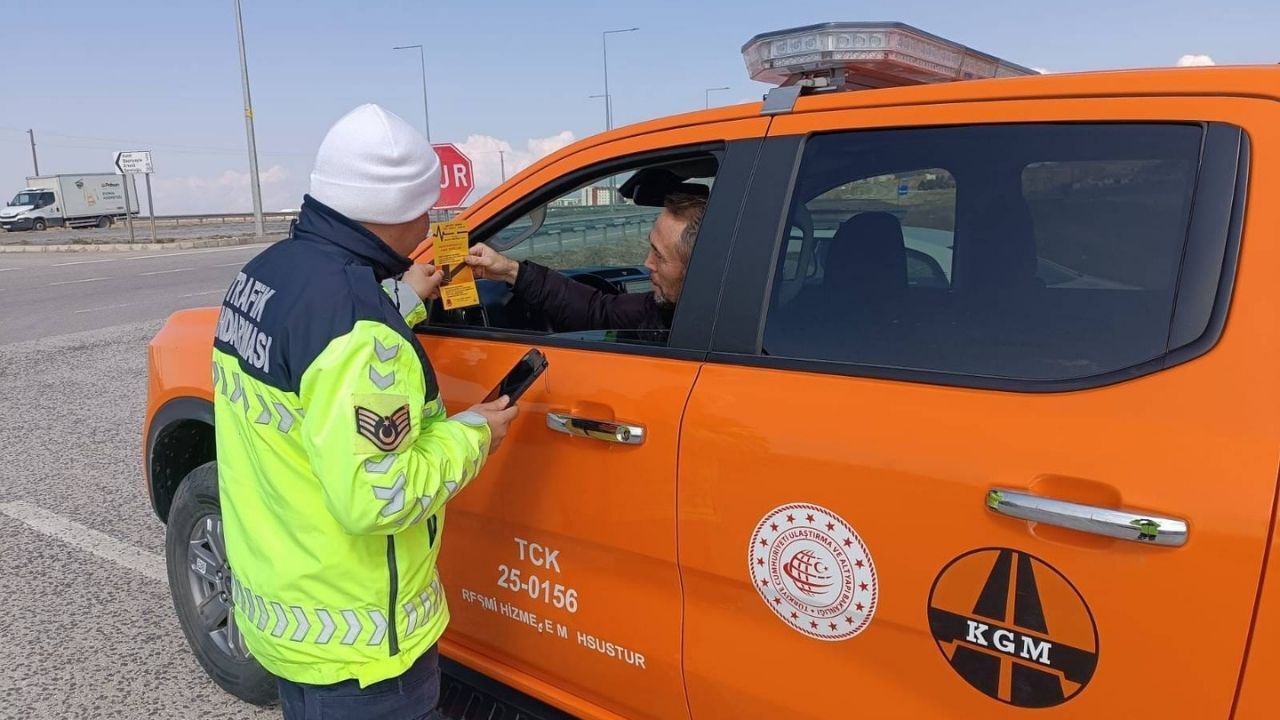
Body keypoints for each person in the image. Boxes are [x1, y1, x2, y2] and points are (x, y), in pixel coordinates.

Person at [211, 103, 518, 719]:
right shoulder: (360, 330)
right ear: (399, 211)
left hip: (290, 611)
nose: (430, 220)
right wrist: (474, 432)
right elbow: (381, 497)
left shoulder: (266, 275)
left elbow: (315, 383)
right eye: (425, 208)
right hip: (362, 646)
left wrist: (398, 303)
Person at [464, 193, 706, 334]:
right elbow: (598, 311)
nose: (647, 263)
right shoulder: (669, 310)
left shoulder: (707, 334)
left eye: (659, 256)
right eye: (650, 247)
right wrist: (509, 270)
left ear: (696, 270)